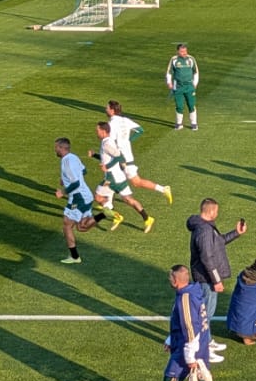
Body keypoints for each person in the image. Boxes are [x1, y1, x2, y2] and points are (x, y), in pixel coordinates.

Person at [156, 264, 219, 381]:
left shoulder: (184, 298)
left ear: (175, 281)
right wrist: (171, 339)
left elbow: (191, 327)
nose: (169, 280)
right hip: (201, 347)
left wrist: (190, 356)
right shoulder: (194, 292)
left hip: (189, 349)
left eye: (170, 278)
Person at [186, 198, 243, 362]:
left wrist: (236, 233)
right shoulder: (204, 230)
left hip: (207, 277)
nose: (217, 214)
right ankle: (202, 349)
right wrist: (216, 280)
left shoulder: (206, 227)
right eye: (216, 211)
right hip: (207, 278)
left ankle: (208, 341)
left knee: (206, 313)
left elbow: (219, 242)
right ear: (210, 211)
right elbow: (207, 257)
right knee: (205, 315)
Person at [54, 135, 119, 263]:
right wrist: (66, 179)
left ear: (61, 148)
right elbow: (83, 171)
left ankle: (74, 257)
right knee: (82, 227)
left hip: (78, 198)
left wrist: (62, 192)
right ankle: (104, 214)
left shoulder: (66, 161)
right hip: (86, 195)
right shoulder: (74, 157)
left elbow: (76, 183)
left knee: (67, 225)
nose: (55, 150)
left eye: (56, 147)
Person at [92, 120, 156, 233]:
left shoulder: (106, 144)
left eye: (97, 130)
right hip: (119, 177)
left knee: (98, 197)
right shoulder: (109, 141)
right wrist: (94, 155)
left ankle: (116, 216)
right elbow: (108, 157)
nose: (96, 132)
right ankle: (147, 218)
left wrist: (107, 166)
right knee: (128, 199)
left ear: (103, 131)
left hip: (111, 178)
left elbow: (119, 156)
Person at [104, 100, 173, 203]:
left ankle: (163, 189)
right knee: (111, 177)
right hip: (127, 155)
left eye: (107, 108)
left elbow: (111, 141)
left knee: (136, 182)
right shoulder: (125, 120)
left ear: (112, 110)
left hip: (121, 157)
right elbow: (140, 130)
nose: (105, 109)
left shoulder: (111, 124)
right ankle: (107, 203)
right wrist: (128, 141)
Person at [166, 43, 200, 129]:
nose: (184, 53)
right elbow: (169, 72)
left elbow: (196, 72)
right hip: (178, 86)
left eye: (185, 51)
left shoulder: (191, 59)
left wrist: (195, 83)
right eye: (182, 51)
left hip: (189, 86)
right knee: (179, 106)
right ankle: (179, 123)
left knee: (191, 105)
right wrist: (169, 82)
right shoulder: (174, 59)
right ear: (178, 51)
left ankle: (194, 123)